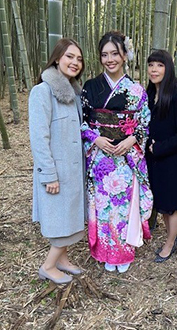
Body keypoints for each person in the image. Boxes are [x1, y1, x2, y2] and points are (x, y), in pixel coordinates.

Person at [81, 31, 153, 273]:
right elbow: (81, 122)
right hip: (100, 156)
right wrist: (96, 138)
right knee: (102, 205)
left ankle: (123, 252)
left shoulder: (136, 89)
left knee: (123, 207)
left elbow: (144, 122)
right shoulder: (90, 87)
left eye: (115, 53)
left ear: (125, 55)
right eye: (104, 54)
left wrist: (131, 139)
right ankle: (104, 251)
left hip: (125, 157)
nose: (110, 59)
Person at [29, 38, 86, 284]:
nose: (75, 62)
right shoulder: (43, 91)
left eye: (79, 59)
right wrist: (48, 174)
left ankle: (62, 260)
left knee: (70, 218)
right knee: (60, 219)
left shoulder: (73, 93)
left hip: (73, 170)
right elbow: (39, 138)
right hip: (57, 171)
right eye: (69, 57)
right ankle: (48, 266)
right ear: (57, 59)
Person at [146, 50, 177, 263]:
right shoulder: (148, 93)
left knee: (173, 204)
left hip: (174, 160)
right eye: (151, 65)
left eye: (159, 65)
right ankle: (170, 237)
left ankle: (170, 242)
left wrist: (159, 148)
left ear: (168, 68)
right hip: (155, 160)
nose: (154, 70)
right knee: (163, 201)